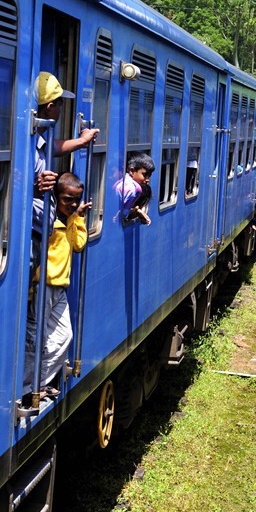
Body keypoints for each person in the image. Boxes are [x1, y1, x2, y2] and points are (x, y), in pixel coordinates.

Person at [24, 171, 91, 400]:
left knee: (63, 336)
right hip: (43, 286)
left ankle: (39, 382)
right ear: (55, 196)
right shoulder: (47, 220)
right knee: (35, 340)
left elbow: (79, 245)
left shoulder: (71, 219)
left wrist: (79, 218)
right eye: (67, 200)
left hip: (60, 287)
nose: (72, 204)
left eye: (76, 200)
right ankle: (26, 389)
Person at [32, 72, 99, 279]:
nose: (62, 109)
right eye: (60, 103)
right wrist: (35, 187)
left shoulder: (38, 136)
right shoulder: (27, 141)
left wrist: (81, 141)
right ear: (50, 106)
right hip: (30, 233)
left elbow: (54, 146)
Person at [114, 152, 156, 224]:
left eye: (149, 176)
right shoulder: (134, 189)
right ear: (132, 171)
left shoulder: (123, 180)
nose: (148, 179)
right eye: (145, 175)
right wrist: (136, 212)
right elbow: (122, 216)